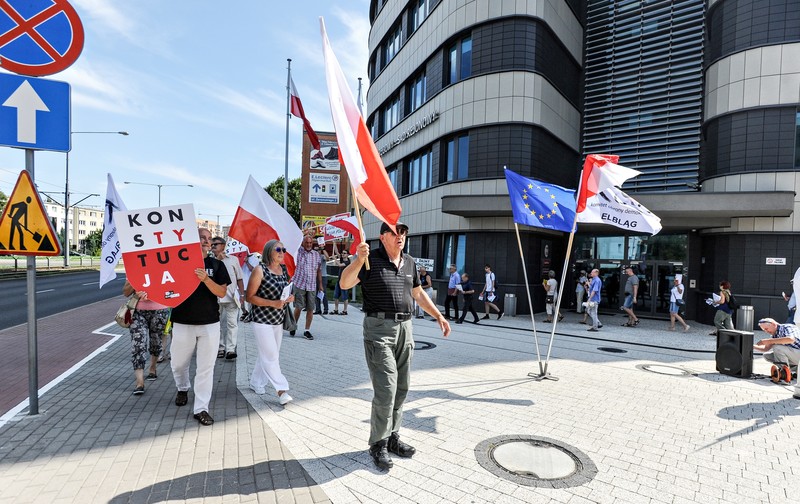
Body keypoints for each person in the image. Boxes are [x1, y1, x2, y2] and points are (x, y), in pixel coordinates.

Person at [339, 221, 451, 471]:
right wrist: (358, 260)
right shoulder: (370, 259)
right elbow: (345, 284)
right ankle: (377, 443)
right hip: (379, 330)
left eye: (403, 232)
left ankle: (392, 437)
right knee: (386, 389)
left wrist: (438, 316)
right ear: (383, 237)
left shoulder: (409, 262)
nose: (400, 236)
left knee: (402, 387)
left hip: (405, 329)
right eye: (394, 232)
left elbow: (418, 294)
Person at [170, 228, 231, 426]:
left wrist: (206, 279)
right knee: (178, 364)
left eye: (208, 239)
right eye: (202, 238)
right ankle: (182, 387)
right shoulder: (177, 263)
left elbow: (221, 292)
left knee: (206, 368)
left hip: (209, 323)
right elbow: (166, 288)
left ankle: (201, 408)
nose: (206, 241)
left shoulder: (217, 264)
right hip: (182, 321)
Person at [246, 239, 295, 405]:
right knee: (271, 356)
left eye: (283, 249)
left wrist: (288, 298)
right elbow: (249, 296)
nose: (282, 252)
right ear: (269, 251)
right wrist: (273, 303)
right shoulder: (260, 270)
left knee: (267, 354)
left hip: (278, 319)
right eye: (278, 249)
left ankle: (255, 382)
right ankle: (282, 391)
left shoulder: (283, 269)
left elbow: (282, 292)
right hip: (261, 320)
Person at [122, 280, 170, 395]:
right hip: (137, 312)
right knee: (138, 345)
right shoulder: (134, 269)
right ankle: (139, 382)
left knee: (156, 341)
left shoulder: (162, 267)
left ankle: (152, 368)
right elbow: (126, 292)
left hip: (159, 310)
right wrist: (133, 285)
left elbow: (170, 289)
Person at [211, 237, 245, 360]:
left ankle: (230, 349)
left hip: (231, 297)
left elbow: (239, 278)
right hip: (215, 298)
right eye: (212, 244)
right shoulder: (209, 261)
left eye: (216, 244)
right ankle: (220, 348)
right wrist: (217, 261)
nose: (213, 246)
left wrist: (242, 295)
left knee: (232, 324)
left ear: (224, 246)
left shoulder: (233, 260)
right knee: (216, 324)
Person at [754, 318, 800, 400]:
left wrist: (769, 341)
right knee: (767, 355)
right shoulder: (774, 335)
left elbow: (791, 339)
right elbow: (765, 349)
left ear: (773, 324)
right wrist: (751, 345)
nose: (766, 331)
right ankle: (793, 371)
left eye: (766, 329)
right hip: (794, 356)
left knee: (777, 348)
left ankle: (785, 375)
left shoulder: (788, 327)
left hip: (798, 353)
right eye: (764, 330)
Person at [291, 235, 322, 340]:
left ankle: (306, 330)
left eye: (310, 243)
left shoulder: (316, 255)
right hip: (299, 284)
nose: (308, 245)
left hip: (312, 285)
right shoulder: (298, 252)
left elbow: (318, 270)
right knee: (299, 307)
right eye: (306, 243)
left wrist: (320, 285)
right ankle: (293, 325)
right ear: (303, 243)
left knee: (310, 308)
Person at [240, 252, 261, 321]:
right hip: (240, 283)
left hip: (250, 283)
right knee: (240, 301)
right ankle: (245, 312)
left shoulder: (255, 259)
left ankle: (250, 316)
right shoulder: (239, 257)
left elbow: (253, 270)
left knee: (250, 301)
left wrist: (247, 262)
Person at [313, 247, 330, 315]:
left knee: (323, 293)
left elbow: (328, 258)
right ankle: (318, 309)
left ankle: (326, 309)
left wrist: (323, 249)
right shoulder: (313, 257)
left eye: (318, 250)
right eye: (315, 250)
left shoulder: (322, 256)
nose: (317, 251)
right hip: (315, 277)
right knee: (316, 294)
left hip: (323, 276)